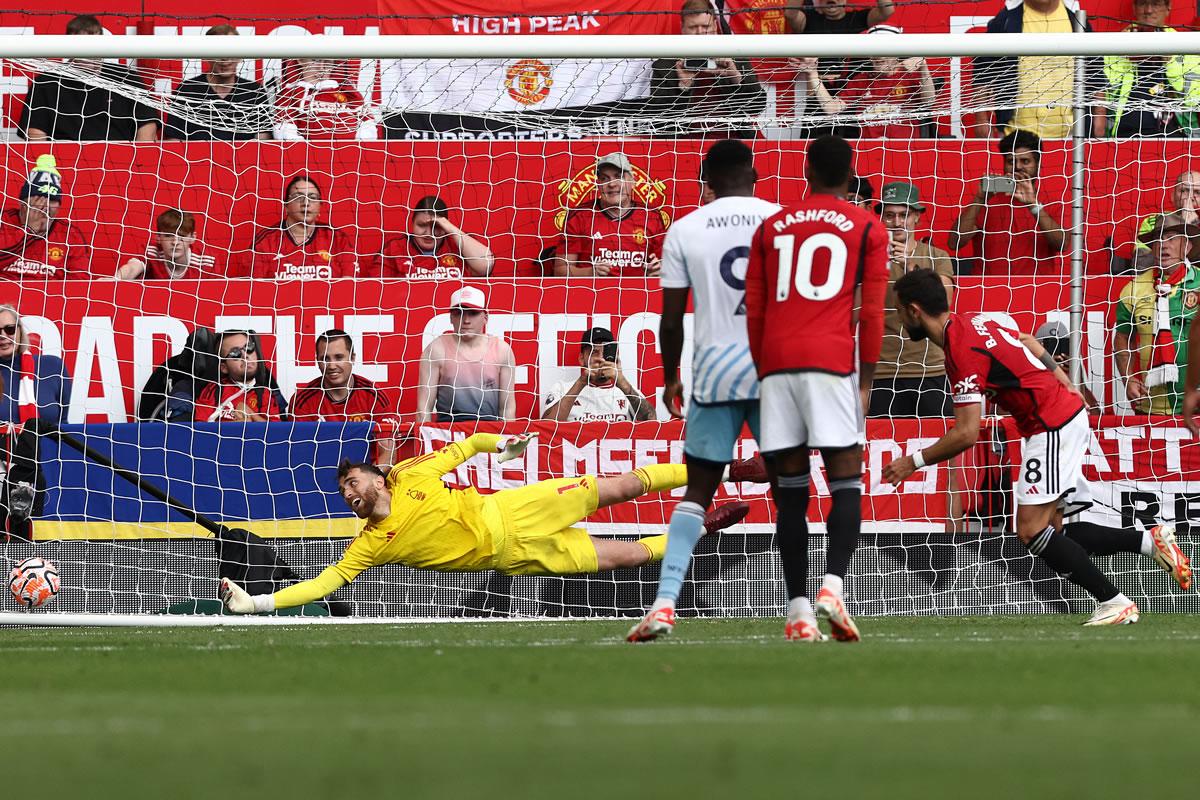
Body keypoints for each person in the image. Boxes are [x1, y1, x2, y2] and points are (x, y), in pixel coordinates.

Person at [883, 269, 1191, 625]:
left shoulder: (962, 351)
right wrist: (1065, 382)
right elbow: (1029, 341)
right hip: (1062, 415)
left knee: (1030, 529)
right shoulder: (980, 323)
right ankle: (1149, 541)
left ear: (914, 310)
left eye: (898, 310)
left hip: (1051, 425)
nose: (898, 318)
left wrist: (913, 461)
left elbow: (966, 434)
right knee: (1058, 529)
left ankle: (1115, 602)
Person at [219, 434, 760, 614]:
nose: (347, 493)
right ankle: (704, 528)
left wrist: (505, 448)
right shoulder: (370, 545)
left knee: (618, 486)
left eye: (352, 483)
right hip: (515, 557)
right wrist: (256, 603)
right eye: (342, 492)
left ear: (377, 478)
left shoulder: (411, 473)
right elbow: (322, 584)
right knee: (632, 556)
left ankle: (729, 468)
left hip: (515, 510)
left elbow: (472, 445)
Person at [627, 139, 778, 642]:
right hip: (773, 369)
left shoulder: (685, 227)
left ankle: (665, 602)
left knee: (697, 489)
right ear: (755, 177)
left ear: (705, 183)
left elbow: (671, 320)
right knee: (793, 484)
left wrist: (672, 376)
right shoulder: (785, 221)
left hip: (714, 369)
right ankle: (804, 606)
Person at [744, 135, 889, 642]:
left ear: (805, 171)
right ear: (851, 176)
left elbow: (755, 311)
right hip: (829, 364)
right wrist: (865, 381)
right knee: (846, 478)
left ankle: (799, 611)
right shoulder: (867, 224)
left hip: (778, 365)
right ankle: (833, 585)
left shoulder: (772, 225)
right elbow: (871, 314)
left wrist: (765, 370)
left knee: (790, 493)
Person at [869, 182, 955, 417]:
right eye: (889, 215)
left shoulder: (937, 256)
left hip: (931, 368)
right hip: (882, 370)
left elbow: (944, 301)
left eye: (904, 215)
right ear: (880, 218)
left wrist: (909, 266)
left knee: (938, 442)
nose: (896, 222)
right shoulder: (867, 256)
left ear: (917, 216)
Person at [19, 14, 158, 142]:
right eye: (80, 45)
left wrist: (141, 161)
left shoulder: (126, 78)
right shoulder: (46, 83)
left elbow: (147, 127)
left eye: (91, 44)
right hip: (60, 162)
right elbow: (36, 134)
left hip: (121, 161)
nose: (86, 52)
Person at [971, 0, 1097, 139]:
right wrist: (981, 119)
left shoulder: (1077, 21)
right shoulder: (1005, 21)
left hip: (1070, 137)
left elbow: (1095, 75)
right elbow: (983, 74)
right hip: (1015, 137)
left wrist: (1100, 117)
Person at [948, 128, 1067, 275]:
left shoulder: (1050, 202)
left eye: (1025, 161)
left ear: (1038, 164)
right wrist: (979, 199)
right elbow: (954, 242)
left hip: (1037, 291)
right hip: (989, 290)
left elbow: (1063, 244)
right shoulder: (987, 200)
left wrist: (1033, 205)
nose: (1017, 167)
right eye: (1011, 161)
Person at [1114, 220, 1200, 415]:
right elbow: (1122, 337)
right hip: (1150, 405)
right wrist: (1127, 378)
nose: (1163, 244)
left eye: (1171, 238)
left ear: (1187, 246)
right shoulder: (1133, 289)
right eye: (1158, 239)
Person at [0, 304, 71, 540]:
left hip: (47, 473)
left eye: (9, 329)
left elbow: (62, 421)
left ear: (19, 331)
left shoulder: (52, 367)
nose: (3, 336)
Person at [649, 0, 765, 139]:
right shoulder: (665, 65)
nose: (700, 33)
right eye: (693, 27)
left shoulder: (735, 58)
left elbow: (757, 106)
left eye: (705, 26)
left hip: (733, 142)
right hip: (684, 145)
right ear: (682, 28)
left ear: (715, 26)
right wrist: (683, 87)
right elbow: (658, 124)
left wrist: (736, 78)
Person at [798, 26, 935, 139]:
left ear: (897, 52)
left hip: (906, 150)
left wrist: (924, 67)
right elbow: (831, 109)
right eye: (873, 50)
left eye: (884, 50)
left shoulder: (910, 74)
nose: (878, 56)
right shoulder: (860, 81)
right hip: (868, 151)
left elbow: (929, 102)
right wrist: (813, 74)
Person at [291, 329, 398, 464]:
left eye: (339, 357)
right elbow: (300, 455)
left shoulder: (375, 397)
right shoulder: (302, 401)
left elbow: (389, 455)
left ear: (352, 358)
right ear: (317, 361)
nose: (332, 365)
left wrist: (366, 481)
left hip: (367, 476)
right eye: (325, 359)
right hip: (318, 474)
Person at [1095, 0, 1200, 138]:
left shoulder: (1186, 47)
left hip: (1174, 136)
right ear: (1134, 7)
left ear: (1168, 8)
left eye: (1156, 4)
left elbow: (1193, 100)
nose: (1148, 10)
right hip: (1123, 137)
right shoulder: (1116, 44)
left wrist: (1170, 61)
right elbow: (1100, 95)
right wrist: (1126, 57)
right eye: (1143, 3)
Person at [557, 153, 668, 278]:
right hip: (591, 294)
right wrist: (589, 273)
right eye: (605, 178)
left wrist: (657, 271)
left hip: (639, 294)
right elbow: (560, 270)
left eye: (618, 177)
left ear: (632, 181)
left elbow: (667, 266)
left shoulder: (651, 216)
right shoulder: (580, 216)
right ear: (598, 184)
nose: (612, 184)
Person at [416, 287, 515, 423]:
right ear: (451, 317)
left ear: (485, 317)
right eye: (459, 313)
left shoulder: (501, 350)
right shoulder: (436, 350)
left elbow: (507, 409)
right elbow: (424, 408)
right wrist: (425, 441)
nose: (466, 320)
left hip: (489, 434)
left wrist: (506, 441)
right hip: (449, 434)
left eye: (473, 313)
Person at [163, 24, 272, 141]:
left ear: (241, 56)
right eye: (218, 51)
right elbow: (172, 142)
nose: (225, 59)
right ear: (205, 56)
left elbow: (263, 143)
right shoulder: (186, 90)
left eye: (231, 51)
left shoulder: (255, 92)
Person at [238, 175, 358, 279]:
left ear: (320, 206)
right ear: (286, 206)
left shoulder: (337, 238)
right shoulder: (266, 241)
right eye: (298, 197)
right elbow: (254, 289)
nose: (306, 203)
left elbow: (348, 285)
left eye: (313, 197)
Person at [0, 154, 90, 279]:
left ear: (59, 207)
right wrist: (29, 230)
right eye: (37, 198)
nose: (44, 206)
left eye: (51, 200)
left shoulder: (70, 235)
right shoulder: (3, 221)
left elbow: (79, 283)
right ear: (22, 202)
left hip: (51, 297)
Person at [542, 328, 654, 423]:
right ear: (582, 359)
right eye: (594, 352)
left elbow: (652, 422)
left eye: (605, 352)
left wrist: (621, 382)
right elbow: (547, 425)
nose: (600, 358)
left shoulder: (628, 391)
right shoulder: (562, 388)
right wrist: (581, 382)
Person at [374, 196, 494, 279]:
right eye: (421, 225)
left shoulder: (458, 245)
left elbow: (486, 266)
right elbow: (375, 287)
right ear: (412, 223)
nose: (429, 233)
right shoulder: (395, 249)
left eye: (436, 226)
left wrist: (450, 228)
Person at [193, 330, 287, 422]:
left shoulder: (264, 393)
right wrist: (238, 426)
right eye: (235, 353)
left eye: (249, 348)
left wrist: (250, 414)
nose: (245, 355)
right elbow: (201, 430)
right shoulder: (213, 390)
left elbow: (275, 431)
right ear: (224, 367)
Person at [273, 58, 377, 141]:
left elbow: (368, 124)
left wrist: (358, 145)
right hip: (308, 159)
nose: (322, 67)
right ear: (300, 61)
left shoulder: (348, 93)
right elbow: (284, 129)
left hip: (353, 156)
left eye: (327, 61)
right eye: (316, 60)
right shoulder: (291, 94)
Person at [1124, 171, 1200, 272]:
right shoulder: (1154, 222)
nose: (1190, 197)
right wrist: (1183, 225)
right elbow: (1141, 267)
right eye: (1184, 191)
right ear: (1173, 196)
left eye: (1197, 192)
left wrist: (1191, 226)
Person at [116, 208, 218, 280]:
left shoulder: (207, 261)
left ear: (192, 238)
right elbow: (133, 267)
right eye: (169, 236)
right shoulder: (151, 251)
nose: (175, 242)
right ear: (159, 238)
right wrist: (116, 278)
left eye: (181, 236)